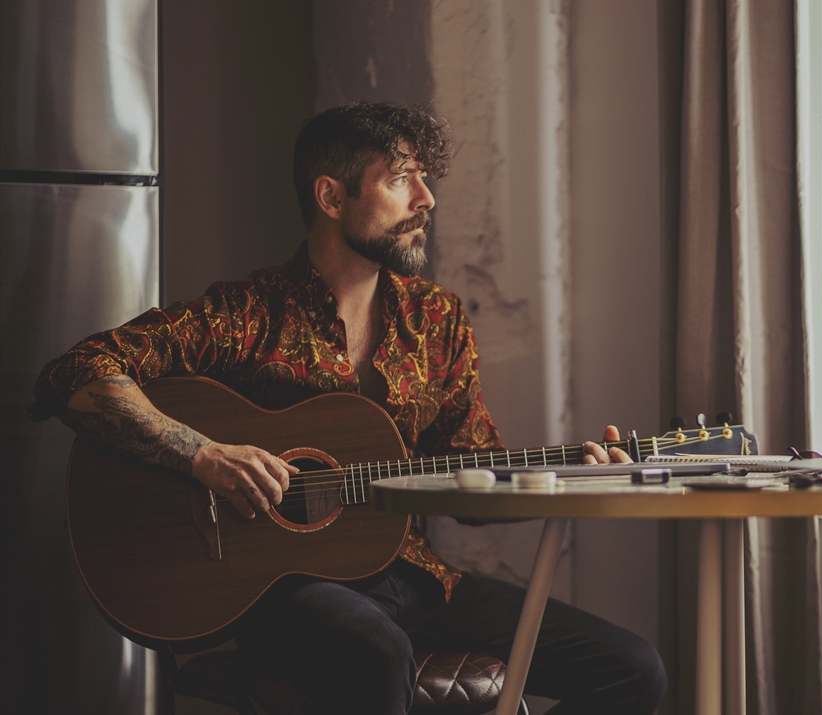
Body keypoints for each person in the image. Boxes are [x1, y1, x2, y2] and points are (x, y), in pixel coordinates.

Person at [31, 101, 666, 714]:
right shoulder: (248, 315)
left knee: (633, 669)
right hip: (288, 589)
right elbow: (75, 374)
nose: (427, 200)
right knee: (375, 652)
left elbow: (474, 471)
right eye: (400, 179)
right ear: (331, 198)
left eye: (424, 178)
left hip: (413, 577)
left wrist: (575, 471)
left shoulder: (437, 320)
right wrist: (205, 455)